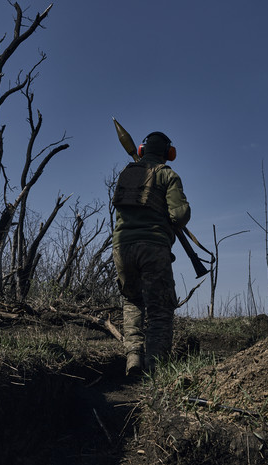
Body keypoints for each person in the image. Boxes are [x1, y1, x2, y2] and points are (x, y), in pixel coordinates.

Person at [112, 131, 191, 376]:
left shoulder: (127, 173)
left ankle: (134, 356)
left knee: (132, 300)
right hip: (153, 247)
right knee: (160, 307)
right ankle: (156, 365)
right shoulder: (168, 175)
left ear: (141, 150)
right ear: (169, 153)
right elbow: (179, 215)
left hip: (121, 248)